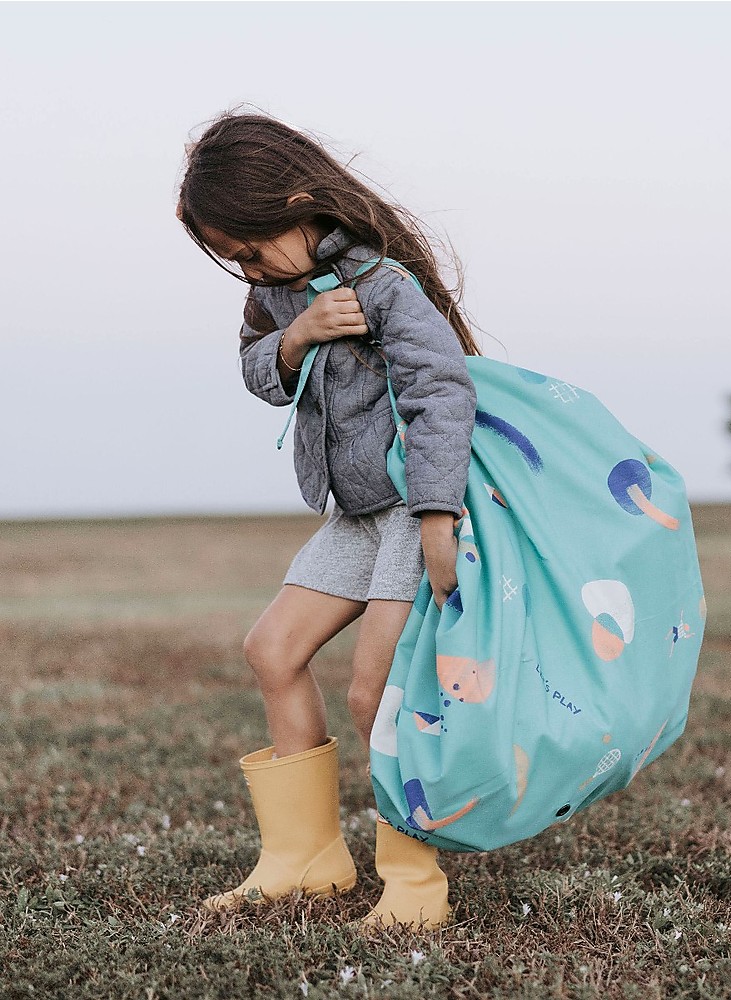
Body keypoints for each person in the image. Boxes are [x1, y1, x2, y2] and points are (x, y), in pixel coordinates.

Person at [176, 111, 479, 929]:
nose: (247, 267)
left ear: (299, 202)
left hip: (413, 510)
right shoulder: (273, 294)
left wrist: (439, 518)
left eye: (250, 246)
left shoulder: (384, 285)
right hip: (351, 515)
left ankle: (414, 885)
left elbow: (442, 393)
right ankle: (305, 859)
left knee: (376, 687)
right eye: (232, 258)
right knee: (271, 649)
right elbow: (256, 369)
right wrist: (295, 336)